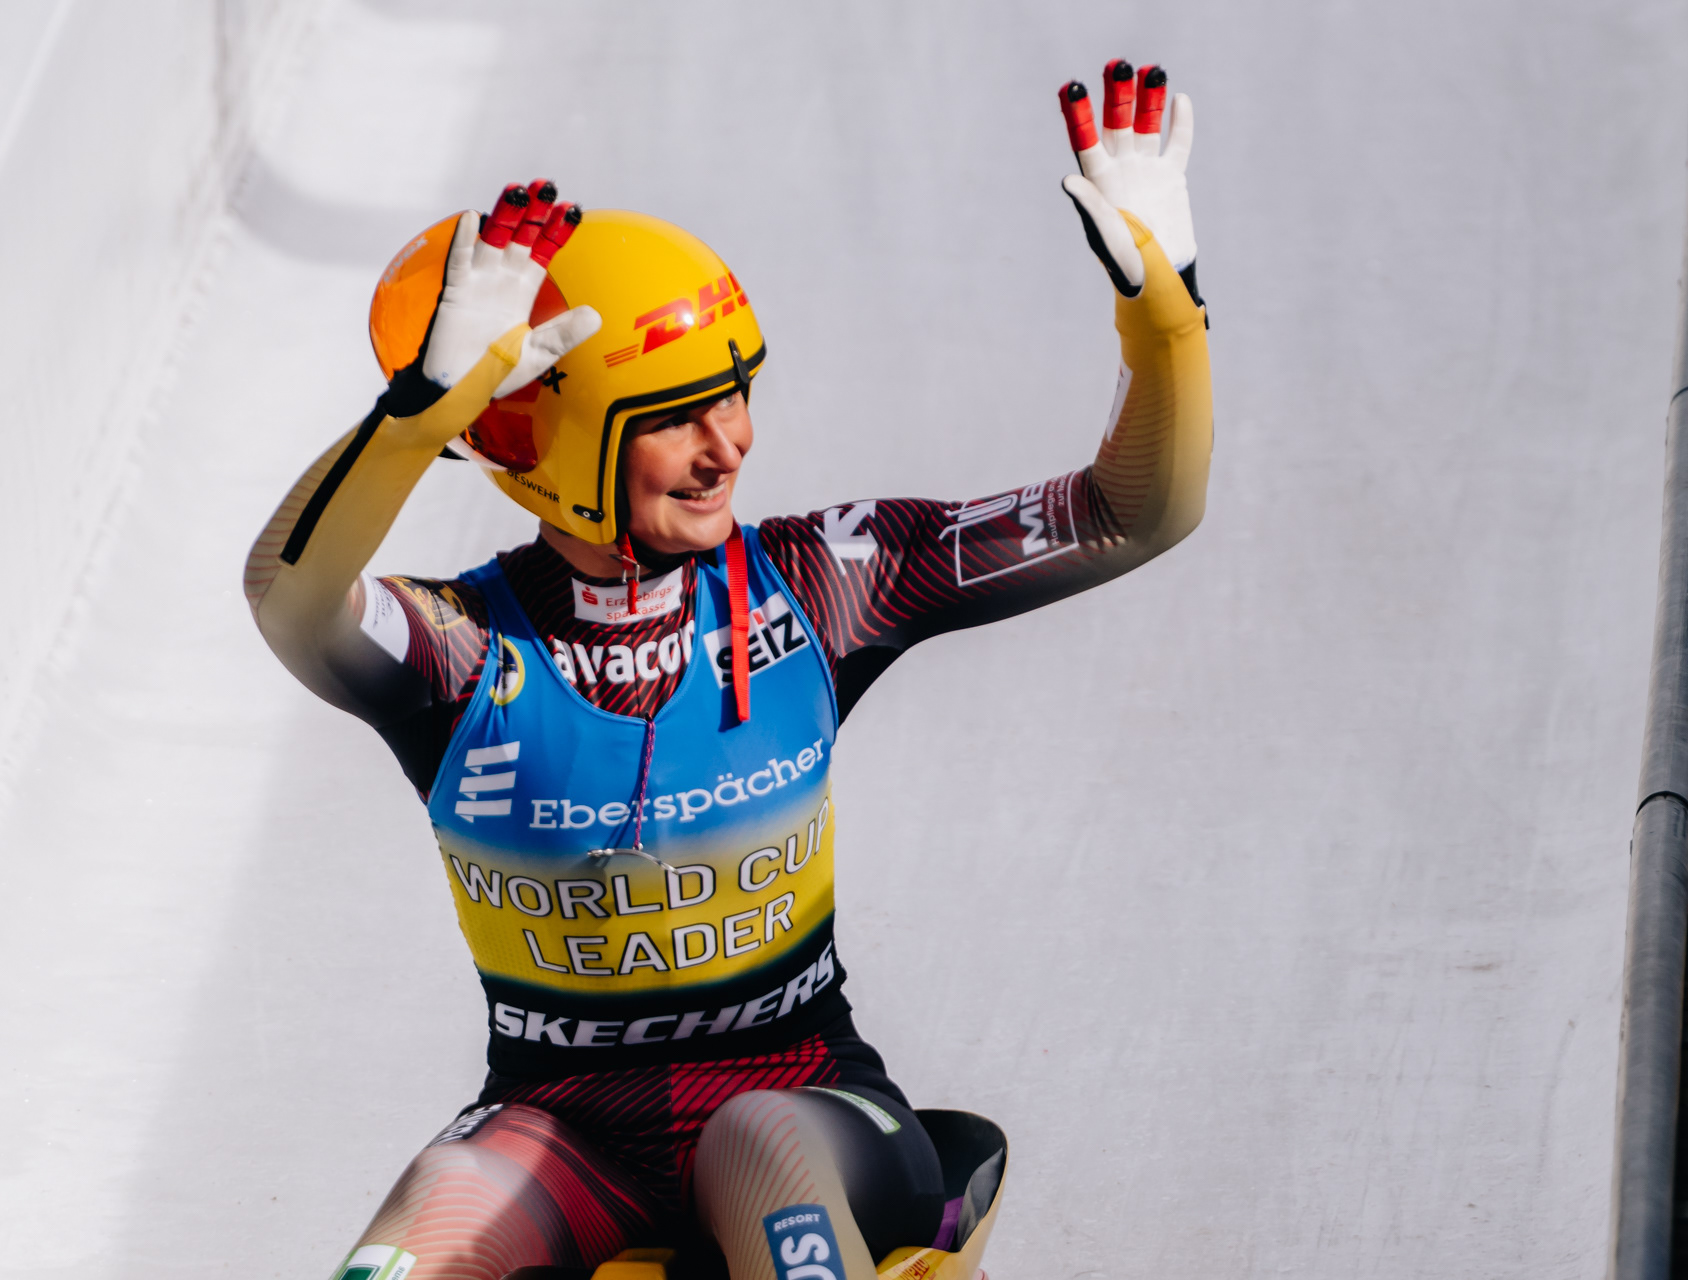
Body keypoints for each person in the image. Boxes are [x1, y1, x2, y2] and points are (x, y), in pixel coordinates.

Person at [247, 58, 1210, 1280]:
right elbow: (290, 594)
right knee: (426, 1217)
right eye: (675, 416)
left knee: (755, 1139)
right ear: (545, 436)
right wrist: (417, 415)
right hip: (555, 1131)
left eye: (736, 395)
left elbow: (1132, 513)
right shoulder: (462, 647)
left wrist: (1165, 311)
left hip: (800, 1097)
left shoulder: (827, 578)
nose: (730, 444)